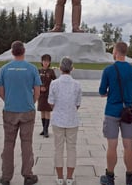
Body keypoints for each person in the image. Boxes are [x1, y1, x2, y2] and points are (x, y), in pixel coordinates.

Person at [0, 41, 42, 185]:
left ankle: (6, 177)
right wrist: (31, 102)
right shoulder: (32, 68)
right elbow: (37, 91)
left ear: (12, 52)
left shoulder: (4, 69)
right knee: (27, 143)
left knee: (8, 143)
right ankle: (28, 175)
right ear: (24, 51)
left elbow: (1, 92)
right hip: (27, 109)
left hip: (10, 109)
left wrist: (9, 101)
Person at [98, 42, 132, 185]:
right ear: (125, 52)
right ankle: (130, 176)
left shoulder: (109, 70)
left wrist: (110, 93)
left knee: (112, 146)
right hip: (127, 112)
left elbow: (102, 92)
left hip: (112, 111)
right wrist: (128, 106)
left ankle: (109, 176)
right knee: (128, 145)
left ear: (115, 52)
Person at [48, 57, 82, 185]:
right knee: (72, 148)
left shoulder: (54, 83)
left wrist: (59, 109)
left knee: (58, 149)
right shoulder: (77, 84)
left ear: (60, 68)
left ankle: (59, 177)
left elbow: (51, 102)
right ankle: (69, 178)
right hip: (72, 120)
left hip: (58, 120)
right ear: (72, 68)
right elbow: (77, 104)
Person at [38, 54, 57, 138]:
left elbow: (55, 82)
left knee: (47, 112)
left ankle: (46, 130)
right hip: (41, 95)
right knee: (42, 111)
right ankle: (43, 129)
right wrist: (40, 87)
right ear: (42, 62)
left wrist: (48, 88)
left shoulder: (51, 71)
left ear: (49, 62)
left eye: (47, 61)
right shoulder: (39, 71)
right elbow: (35, 81)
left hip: (48, 94)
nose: (46, 63)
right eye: (44, 61)